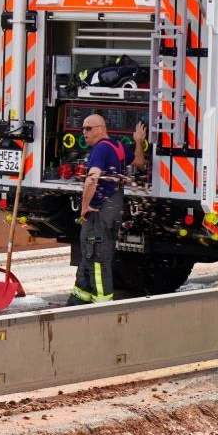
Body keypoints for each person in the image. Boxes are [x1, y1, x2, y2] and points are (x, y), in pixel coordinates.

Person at [67, 116, 146, 306]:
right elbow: (138, 161)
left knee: (96, 257)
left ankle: (101, 305)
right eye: (83, 129)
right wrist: (138, 142)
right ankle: (78, 301)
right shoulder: (117, 146)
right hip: (113, 206)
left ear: (101, 129)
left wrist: (85, 206)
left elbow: (92, 178)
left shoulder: (100, 149)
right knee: (90, 254)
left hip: (99, 210)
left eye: (88, 128)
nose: (84, 132)